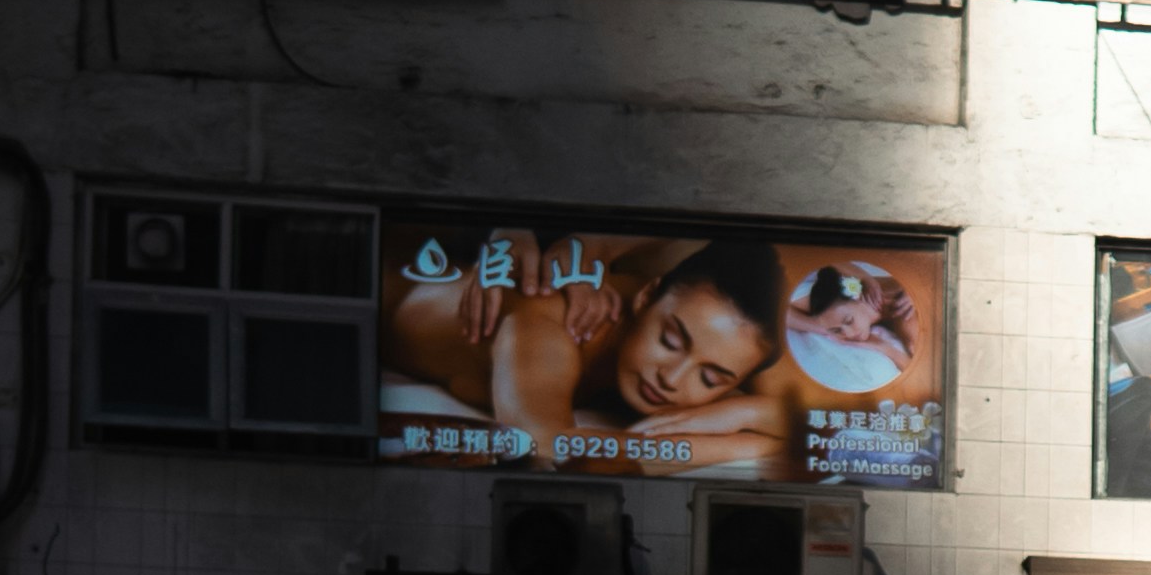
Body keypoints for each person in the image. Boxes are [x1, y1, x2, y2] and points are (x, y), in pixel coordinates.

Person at [385, 229, 792, 469]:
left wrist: (756, 411)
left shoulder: (644, 353)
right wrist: (747, 443)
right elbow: (544, 452)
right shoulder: (550, 326)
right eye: (670, 340)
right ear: (647, 294)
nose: (671, 379)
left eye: (710, 378)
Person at [785, 264, 917, 395]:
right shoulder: (828, 307)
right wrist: (824, 328)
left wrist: (866, 279)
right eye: (837, 330)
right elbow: (781, 312)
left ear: (860, 298)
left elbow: (916, 379)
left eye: (849, 321)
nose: (849, 334)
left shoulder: (906, 314)